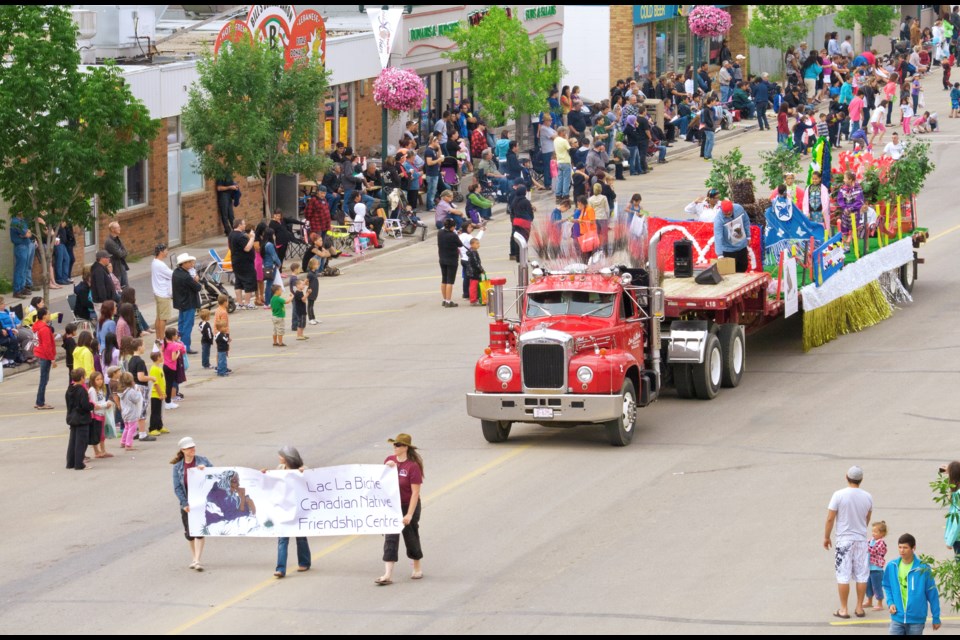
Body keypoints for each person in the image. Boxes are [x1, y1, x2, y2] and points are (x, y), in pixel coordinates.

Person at [824, 465, 873, 619]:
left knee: (843, 575)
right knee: (861, 574)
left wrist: (826, 536)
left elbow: (831, 518)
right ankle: (859, 608)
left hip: (844, 540)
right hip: (860, 539)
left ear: (847, 477)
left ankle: (844, 609)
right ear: (861, 479)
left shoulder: (838, 495)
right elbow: (867, 518)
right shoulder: (867, 496)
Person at [375, 433, 424, 586]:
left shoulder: (412, 467)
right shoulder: (389, 461)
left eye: (398, 445)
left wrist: (409, 514)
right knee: (390, 537)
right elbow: (381, 482)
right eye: (394, 445)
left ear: (405, 448)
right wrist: (386, 468)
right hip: (392, 506)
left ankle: (416, 565)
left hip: (408, 504)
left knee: (410, 534)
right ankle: (388, 574)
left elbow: (415, 492)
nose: (394, 447)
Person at [882, 533, 942, 634]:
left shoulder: (923, 568)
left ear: (913, 548)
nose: (902, 550)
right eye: (900, 547)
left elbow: (932, 594)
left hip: (916, 620)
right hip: (897, 617)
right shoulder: (892, 566)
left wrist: (936, 617)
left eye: (905, 547)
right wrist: (890, 602)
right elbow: (887, 586)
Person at [269, 446, 311, 577]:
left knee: (301, 537)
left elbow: (312, 481)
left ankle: (304, 562)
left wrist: (304, 473)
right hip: (284, 508)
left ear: (288, 457)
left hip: (298, 508)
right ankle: (280, 569)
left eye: (281, 455)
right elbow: (272, 480)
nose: (279, 458)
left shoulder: (303, 468)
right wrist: (263, 474)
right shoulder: (280, 468)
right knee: (282, 538)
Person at [171, 436, 212, 571]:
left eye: (193, 447)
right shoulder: (177, 467)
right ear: (183, 450)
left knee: (199, 531)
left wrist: (205, 470)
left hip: (201, 501)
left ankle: (197, 560)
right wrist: (184, 503)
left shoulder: (202, 460)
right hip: (187, 503)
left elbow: (215, 474)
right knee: (189, 533)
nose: (192, 449)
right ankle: (194, 557)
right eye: (189, 448)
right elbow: (177, 487)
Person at [172, 253, 201, 355]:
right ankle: (186, 346)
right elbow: (197, 287)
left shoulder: (176, 273)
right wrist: (196, 280)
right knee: (188, 325)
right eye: (189, 262)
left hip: (180, 302)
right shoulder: (186, 276)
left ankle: (178, 343)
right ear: (183, 263)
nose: (191, 264)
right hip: (189, 303)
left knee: (181, 324)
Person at [65, 367, 94, 470]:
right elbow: (85, 405)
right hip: (82, 418)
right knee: (81, 442)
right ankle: (79, 464)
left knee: (73, 441)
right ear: (81, 378)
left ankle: (70, 462)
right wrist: (92, 405)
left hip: (72, 417)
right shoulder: (81, 390)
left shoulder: (70, 389)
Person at [714, 200, 751, 273]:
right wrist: (720, 255)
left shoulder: (739, 208)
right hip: (728, 250)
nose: (728, 215)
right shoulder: (718, 219)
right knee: (730, 273)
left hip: (742, 247)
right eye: (725, 214)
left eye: (729, 213)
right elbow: (718, 237)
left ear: (732, 209)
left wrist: (748, 236)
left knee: (743, 268)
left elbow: (746, 221)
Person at [229, 219, 257, 310]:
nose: (245, 226)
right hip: (245, 263)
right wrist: (252, 237)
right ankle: (247, 303)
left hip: (235, 261)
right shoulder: (241, 236)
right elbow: (247, 248)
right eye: (244, 224)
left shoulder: (231, 234)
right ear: (239, 225)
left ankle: (240, 304)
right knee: (248, 281)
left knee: (238, 282)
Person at [32, 307, 57, 410]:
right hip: (45, 355)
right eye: (49, 314)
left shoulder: (37, 326)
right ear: (44, 316)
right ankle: (40, 403)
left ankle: (39, 401)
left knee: (43, 379)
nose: (50, 316)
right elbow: (47, 346)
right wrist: (52, 358)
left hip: (39, 353)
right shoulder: (45, 329)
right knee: (44, 380)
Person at [437, 217, 462, 308]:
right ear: (452, 227)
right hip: (451, 259)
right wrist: (457, 234)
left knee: (444, 279)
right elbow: (460, 244)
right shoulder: (453, 235)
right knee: (450, 281)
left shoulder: (440, 233)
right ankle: (448, 301)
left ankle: (444, 299)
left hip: (442, 258)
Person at [863, 521, 888, 611]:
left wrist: (865, 545)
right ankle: (869, 600)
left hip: (877, 569)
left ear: (882, 533)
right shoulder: (871, 540)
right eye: (872, 531)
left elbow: (873, 551)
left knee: (876, 586)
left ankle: (879, 603)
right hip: (869, 567)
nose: (873, 533)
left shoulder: (881, 543)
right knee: (867, 585)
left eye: (876, 532)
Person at [117, 372, 142, 451]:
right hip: (131, 412)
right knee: (132, 428)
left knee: (126, 427)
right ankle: (128, 444)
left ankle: (123, 442)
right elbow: (137, 399)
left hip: (125, 412)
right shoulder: (131, 391)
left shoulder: (121, 391)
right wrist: (138, 391)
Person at [103, 222, 129, 288]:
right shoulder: (109, 242)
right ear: (112, 229)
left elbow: (126, 252)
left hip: (122, 266)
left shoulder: (118, 239)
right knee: (117, 288)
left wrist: (123, 252)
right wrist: (123, 252)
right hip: (115, 269)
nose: (120, 228)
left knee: (126, 288)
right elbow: (120, 254)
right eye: (118, 227)